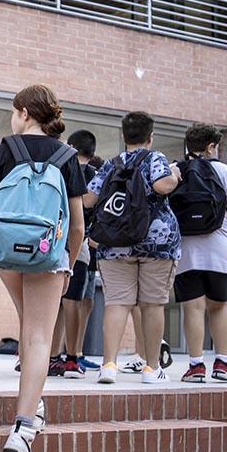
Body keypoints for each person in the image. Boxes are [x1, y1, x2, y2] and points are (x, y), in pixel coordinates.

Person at [0, 85, 86, 452]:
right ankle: (23, 428)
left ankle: (32, 402)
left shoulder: (5, 151)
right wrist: (67, 263)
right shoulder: (68, 156)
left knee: (28, 326)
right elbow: (77, 225)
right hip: (46, 251)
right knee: (38, 336)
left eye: (13, 113)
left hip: (5, 251)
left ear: (23, 113)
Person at [84, 111, 182, 385]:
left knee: (117, 304)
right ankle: (151, 369)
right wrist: (174, 175)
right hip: (156, 242)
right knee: (152, 305)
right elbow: (163, 185)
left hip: (115, 243)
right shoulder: (155, 159)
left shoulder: (111, 164)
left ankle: (109, 366)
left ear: (124, 136)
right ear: (150, 137)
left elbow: (89, 199)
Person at [175, 123, 227, 383]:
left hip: (187, 250)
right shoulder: (225, 171)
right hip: (219, 249)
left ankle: (196, 366)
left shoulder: (177, 170)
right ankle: (222, 363)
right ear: (211, 147)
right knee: (219, 307)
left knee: (193, 308)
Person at [49, 129, 101, 378]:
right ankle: (72, 357)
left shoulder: (59, 167)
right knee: (73, 303)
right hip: (78, 246)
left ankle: (50, 356)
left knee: (55, 304)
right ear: (92, 153)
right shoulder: (94, 176)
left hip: (51, 241)